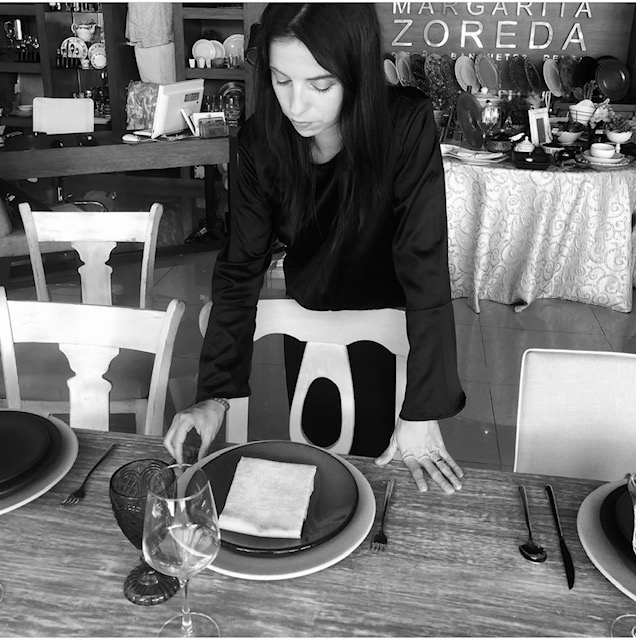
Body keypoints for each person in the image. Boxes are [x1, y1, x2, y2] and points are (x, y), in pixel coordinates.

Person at [164, 3, 466, 494]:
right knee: (321, 466)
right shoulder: (260, 144)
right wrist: (215, 395)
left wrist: (423, 408)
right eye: (282, 80)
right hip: (311, 309)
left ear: (357, 73)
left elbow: (425, 260)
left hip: (393, 320)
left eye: (320, 86)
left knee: (385, 477)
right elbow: (240, 268)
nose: (296, 106)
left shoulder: (404, 125)